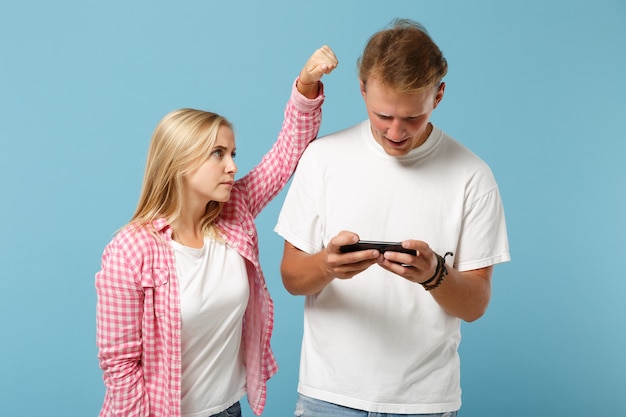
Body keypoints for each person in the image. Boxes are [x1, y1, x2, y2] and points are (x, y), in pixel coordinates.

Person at [274, 19, 510, 417]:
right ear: (363, 89)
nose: (396, 131)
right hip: (328, 398)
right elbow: (291, 277)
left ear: (438, 96)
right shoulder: (323, 159)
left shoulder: (473, 176)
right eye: (382, 115)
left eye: (412, 118)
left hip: (425, 403)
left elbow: (475, 305)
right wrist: (327, 265)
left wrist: (434, 274)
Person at [95, 46, 338, 417]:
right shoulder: (131, 249)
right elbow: (121, 365)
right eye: (218, 154)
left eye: (233, 153)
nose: (231, 166)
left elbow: (287, 152)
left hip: (229, 410)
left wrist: (306, 86)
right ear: (179, 162)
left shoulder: (235, 213)